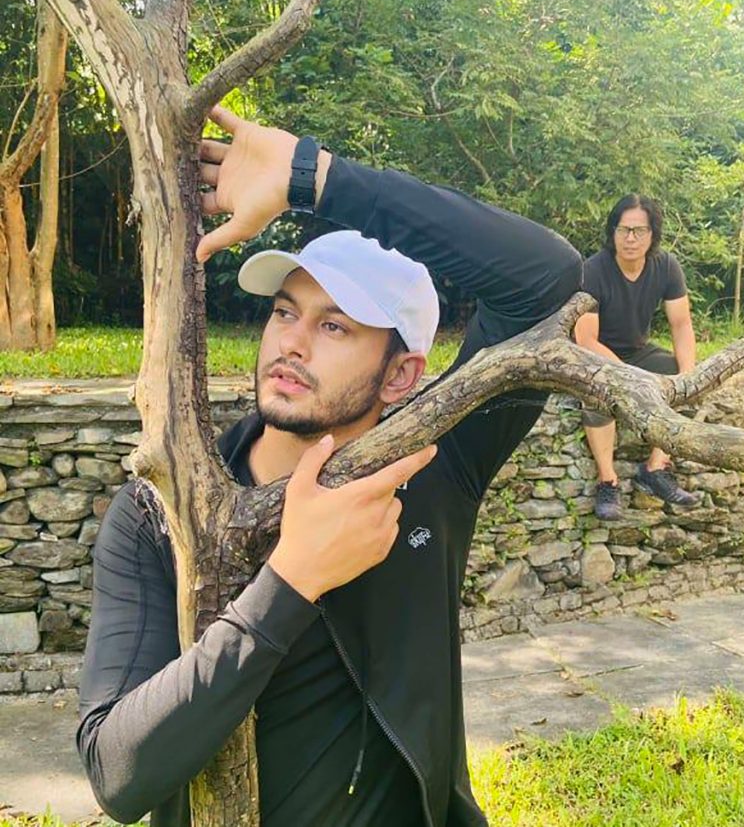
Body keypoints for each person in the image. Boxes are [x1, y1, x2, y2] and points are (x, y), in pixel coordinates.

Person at [76, 105, 582, 827]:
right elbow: (117, 773)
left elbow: (548, 279)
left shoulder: (434, 465)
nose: (292, 342)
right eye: (285, 312)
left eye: (335, 324)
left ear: (401, 374)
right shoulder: (161, 512)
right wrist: (290, 582)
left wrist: (315, 178)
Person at [575, 193, 698, 521]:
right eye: (623, 229)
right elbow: (585, 339)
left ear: (652, 234)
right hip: (596, 354)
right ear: (613, 232)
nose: (630, 238)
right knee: (597, 394)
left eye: (639, 230)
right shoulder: (593, 270)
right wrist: (625, 375)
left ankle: (656, 467)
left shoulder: (666, 266)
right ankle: (608, 481)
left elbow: (681, 324)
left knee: (683, 380)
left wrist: (688, 375)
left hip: (638, 351)